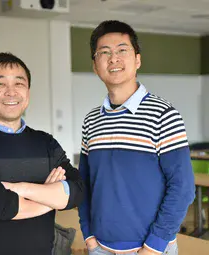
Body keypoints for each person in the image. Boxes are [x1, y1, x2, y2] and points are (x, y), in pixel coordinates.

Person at [78, 20, 195, 255]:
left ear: (137, 60)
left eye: (122, 50)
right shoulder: (91, 120)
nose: (114, 58)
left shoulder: (163, 114)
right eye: (104, 52)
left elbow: (182, 188)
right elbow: (84, 184)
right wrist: (89, 237)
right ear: (95, 64)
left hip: (150, 250)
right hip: (100, 247)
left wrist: (154, 247)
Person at [0, 52, 84, 255]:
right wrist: (51, 198)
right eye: (0, 84)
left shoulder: (46, 142)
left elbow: (78, 190)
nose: (11, 92)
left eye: (19, 83)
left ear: (28, 91)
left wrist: (20, 188)